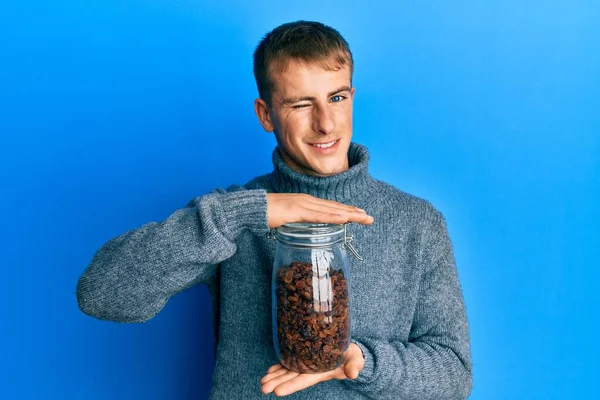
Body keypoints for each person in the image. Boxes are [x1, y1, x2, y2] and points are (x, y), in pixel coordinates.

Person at [77, 20, 472, 399]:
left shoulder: (416, 221)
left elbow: (454, 374)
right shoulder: (233, 217)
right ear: (266, 115)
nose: (326, 123)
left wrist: (358, 362)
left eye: (336, 98)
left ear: (352, 97)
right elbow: (102, 295)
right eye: (302, 104)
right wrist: (246, 213)